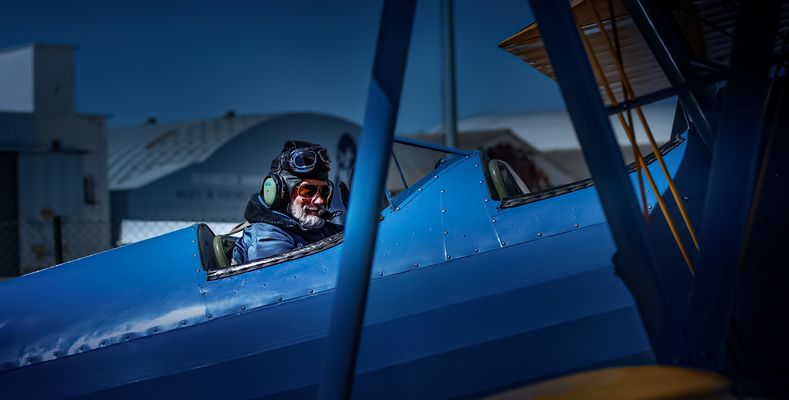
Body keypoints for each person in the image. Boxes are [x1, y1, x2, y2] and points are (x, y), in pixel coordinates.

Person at [232, 141, 343, 264]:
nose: (320, 200)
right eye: (308, 191)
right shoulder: (268, 238)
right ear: (280, 193)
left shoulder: (316, 228)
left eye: (325, 191)